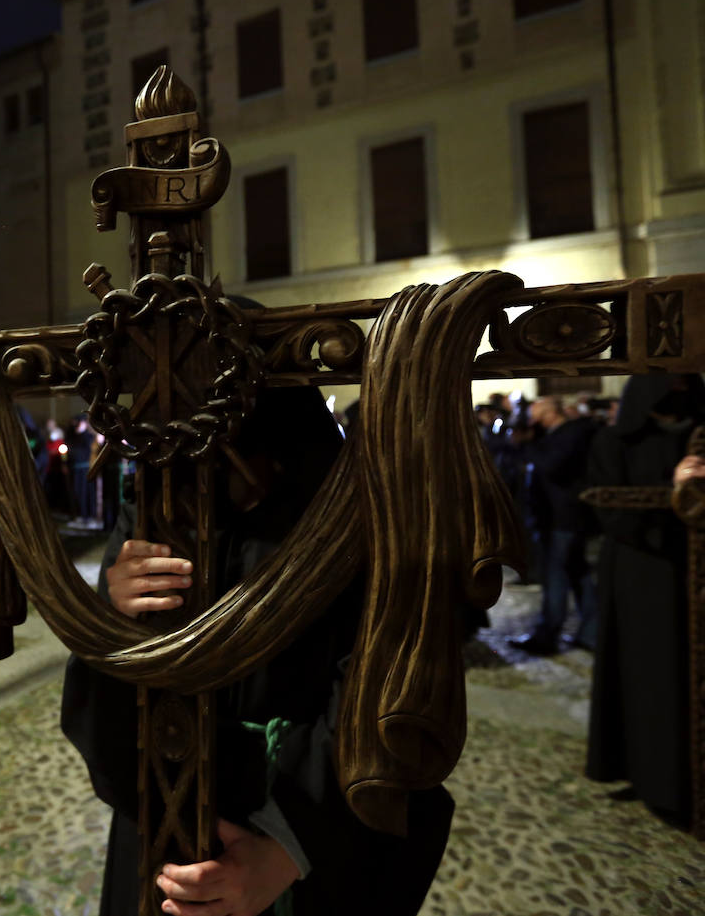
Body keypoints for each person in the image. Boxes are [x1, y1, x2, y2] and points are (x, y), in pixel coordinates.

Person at [62, 385, 456, 916]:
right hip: (165, 806)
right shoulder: (157, 508)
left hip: (310, 817)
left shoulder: (356, 519)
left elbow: (392, 696)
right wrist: (112, 615)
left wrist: (288, 849)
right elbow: (104, 688)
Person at [585, 374, 705, 826]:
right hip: (643, 577)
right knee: (648, 678)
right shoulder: (614, 441)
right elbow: (610, 509)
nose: (673, 394)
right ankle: (649, 774)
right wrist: (673, 490)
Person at [508, 395, 599, 655]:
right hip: (557, 516)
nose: (531, 418)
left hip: (565, 517)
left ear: (549, 413)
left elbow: (551, 466)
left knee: (556, 576)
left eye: (536, 412)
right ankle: (591, 633)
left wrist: (528, 443)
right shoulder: (556, 435)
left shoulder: (572, 434)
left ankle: (548, 636)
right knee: (577, 573)